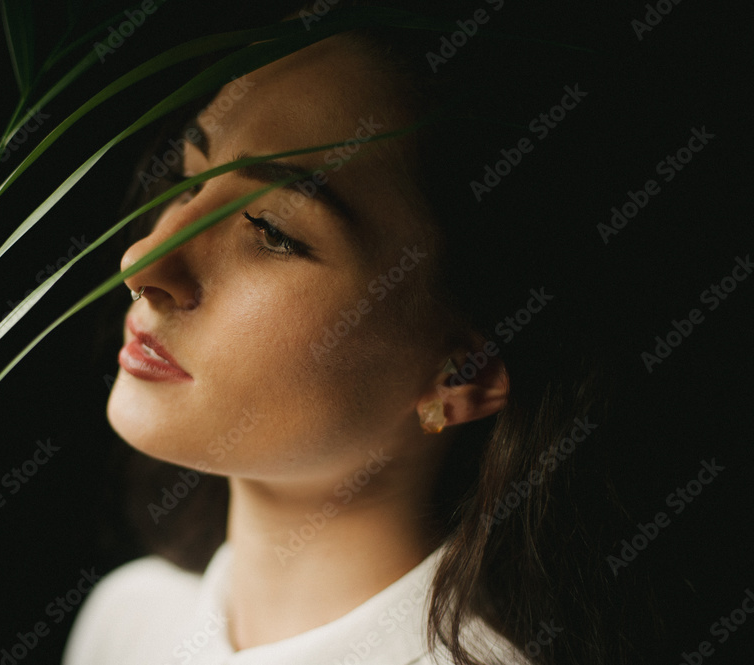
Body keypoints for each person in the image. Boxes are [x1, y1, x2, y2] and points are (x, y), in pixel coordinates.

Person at [64, 2, 646, 663]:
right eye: (189, 178)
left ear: (466, 370)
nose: (143, 260)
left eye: (272, 231)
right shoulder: (128, 622)